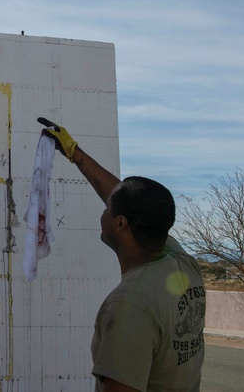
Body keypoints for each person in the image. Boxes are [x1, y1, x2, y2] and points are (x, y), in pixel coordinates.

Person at [40, 119, 206, 392]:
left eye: (108, 210)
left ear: (120, 224)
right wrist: (74, 152)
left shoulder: (130, 305)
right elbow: (128, 202)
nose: (103, 211)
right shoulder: (182, 263)